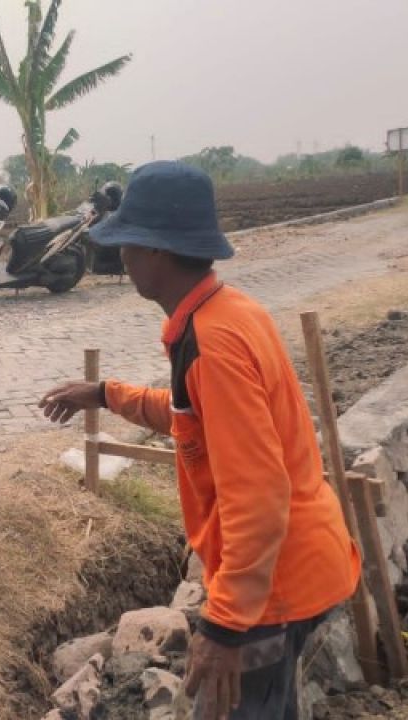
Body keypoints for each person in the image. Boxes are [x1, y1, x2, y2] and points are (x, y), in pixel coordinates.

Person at [38, 161, 360, 719]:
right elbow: (195, 419)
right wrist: (105, 393)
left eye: (128, 245)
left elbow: (257, 495)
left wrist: (226, 625)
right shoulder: (223, 314)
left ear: (157, 251)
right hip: (287, 572)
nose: (122, 258)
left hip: (273, 588)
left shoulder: (213, 345)